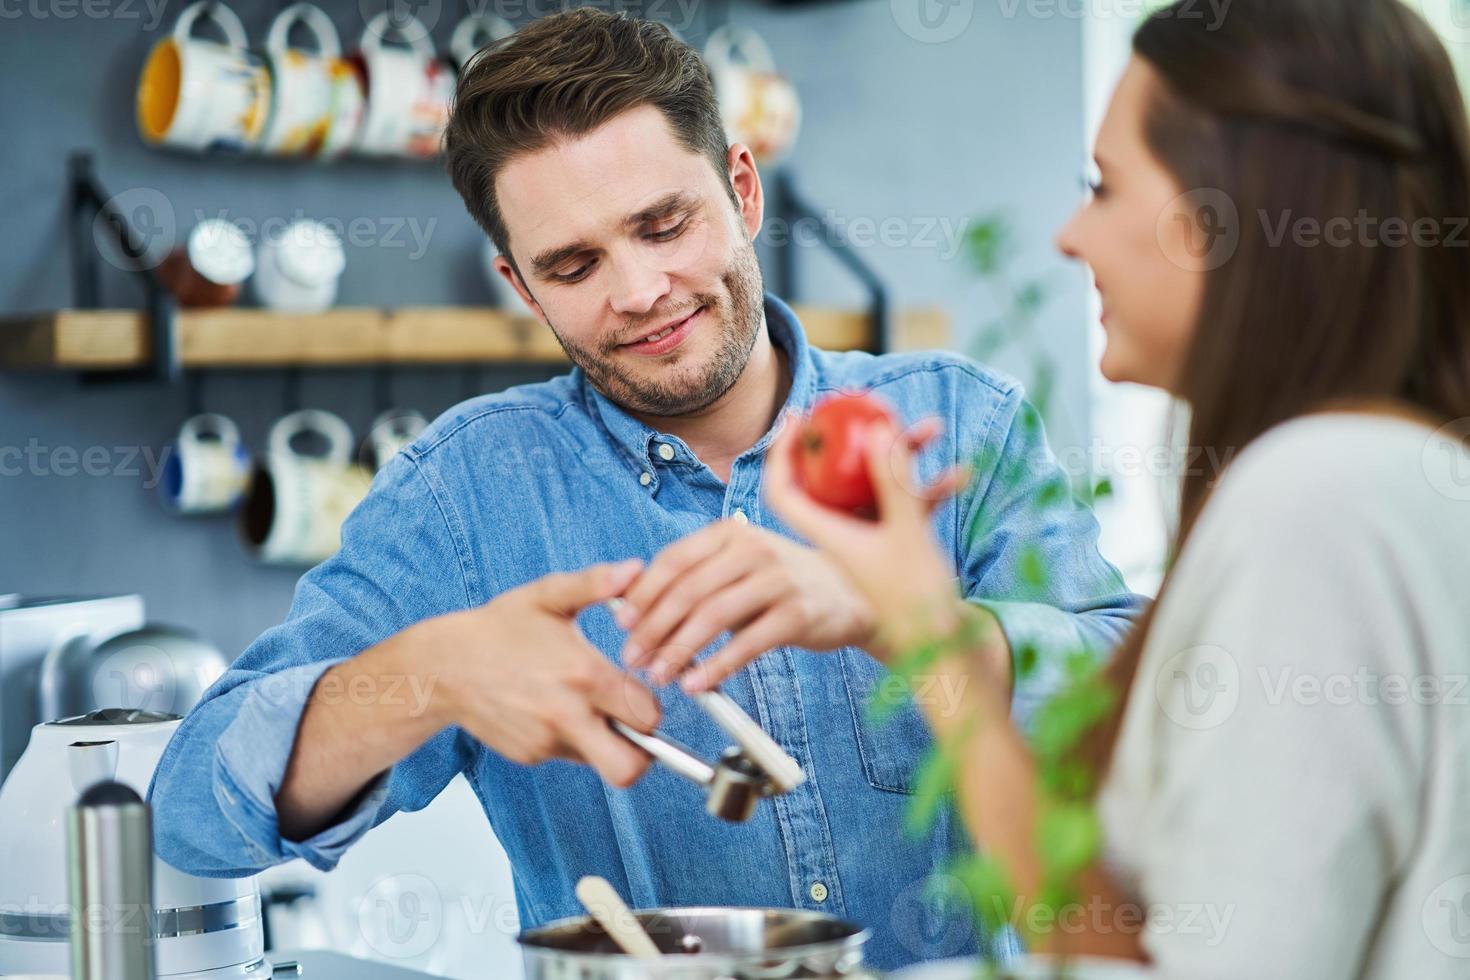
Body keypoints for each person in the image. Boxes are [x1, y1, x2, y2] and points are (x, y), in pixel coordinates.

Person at [146, 8, 1143, 969]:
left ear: (744, 192)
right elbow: (194, 809)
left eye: (665, 224)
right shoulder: (462, 494)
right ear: (521, 286)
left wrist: (901, 619)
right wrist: (433, 668)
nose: (638, 290)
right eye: (573, 265)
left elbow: (1156, 718)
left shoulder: (958, 420)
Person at [764, 0, 1470, 976]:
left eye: (1104, 187)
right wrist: (920, 619)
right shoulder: (1388, 475)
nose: (1069, 236)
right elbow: (1128, 940)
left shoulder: (1318, 502)